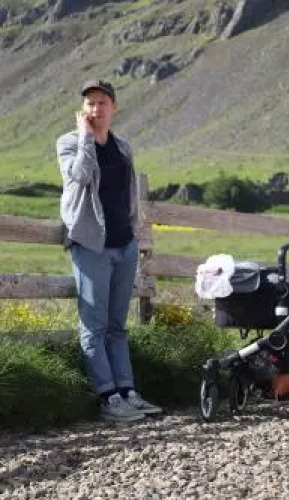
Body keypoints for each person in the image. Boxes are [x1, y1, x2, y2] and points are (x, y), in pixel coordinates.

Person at [57, 80, 161, 421]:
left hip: (124, 244)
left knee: (117, 325)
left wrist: (133, 233)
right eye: (90, 103)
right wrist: (86, 137)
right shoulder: (69, 143)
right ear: (82, 109)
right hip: (91, 245)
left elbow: (128, 193)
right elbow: (80, 176)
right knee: (94, 325)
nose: (95, 109)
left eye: (102, 102)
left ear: (114, 107)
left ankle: (128, 392)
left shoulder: (122, 147)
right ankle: (107, 397)